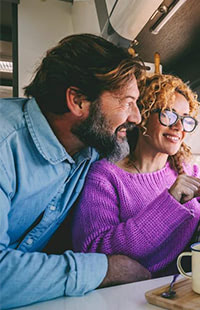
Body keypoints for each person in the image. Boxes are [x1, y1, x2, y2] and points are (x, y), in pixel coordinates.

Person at [0, 34, 152, 309]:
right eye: (127, 102)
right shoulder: (4, 145)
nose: (137, 117)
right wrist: (106, 269)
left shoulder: (89, 149)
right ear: (78, 101)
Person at [72, 74, 200, 276]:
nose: (178, 127)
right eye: (168, 115)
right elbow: (94, 249)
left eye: (186, 120)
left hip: (182, 286)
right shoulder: (105, 176)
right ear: (143, 115)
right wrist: (169, 201)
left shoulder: (184, 168)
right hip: (126, 290)